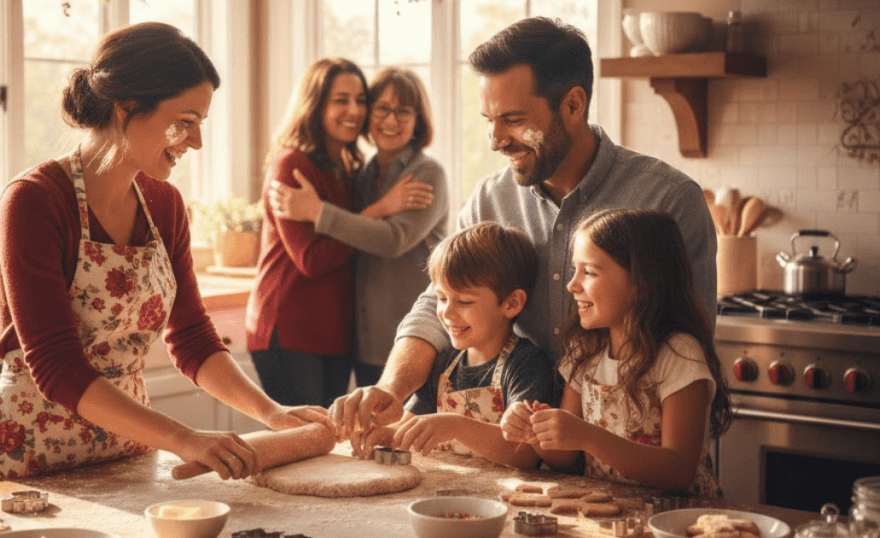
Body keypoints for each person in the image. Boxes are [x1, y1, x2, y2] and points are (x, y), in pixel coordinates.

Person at [0, 22, 329, 487]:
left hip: (124, 452)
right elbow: (57, 365)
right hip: (31, 454)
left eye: (200, 124)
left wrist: (271, 413)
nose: (195, 142)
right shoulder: (34, 201)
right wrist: (186, 439)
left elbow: (193, 338)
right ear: (127, 107)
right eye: (185, 121)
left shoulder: (165, 205)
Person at [330, 16, 717, 442]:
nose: (495, 140)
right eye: (488, 119)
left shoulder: (669, 199)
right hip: (515, 457)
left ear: (573, 105)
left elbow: (688, 346)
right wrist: (392, 388)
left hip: (628, 458)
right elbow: (435, 307)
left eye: (513, 120)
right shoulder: (488, 200)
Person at [500, 208, 731, 497]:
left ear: (641, 283)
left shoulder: (678, 354)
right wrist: (535, 432)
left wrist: (587, 436)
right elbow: (564, 456)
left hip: (677, 520)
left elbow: (679, 470)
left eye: (589, 272)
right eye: (575, 270)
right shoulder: (586, 352)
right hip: (612, 515)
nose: (572, 285)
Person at [268, 67, 448, 387]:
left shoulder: (427, 173)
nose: (391, 121)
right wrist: (380, 208)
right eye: (382, 108)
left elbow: (393, 239)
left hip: (414, 341)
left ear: (418, 121)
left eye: (403, 111)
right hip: (366, 347)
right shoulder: (363, 174)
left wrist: (318, 211)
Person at [355, 222, 552, 469]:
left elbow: (526, 455)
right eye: (441, 298)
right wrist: (386, 434)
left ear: (512, 303)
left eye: (464, 301)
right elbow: (411, 423)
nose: (446, 313)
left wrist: (456, 426)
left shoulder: (526, 364)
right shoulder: (443, 363)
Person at [247, 58, 379, 408]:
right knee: (303, 445)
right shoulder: (290, 165)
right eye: (341, 100)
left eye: (361, 99)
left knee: (326, 448)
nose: (354, 110)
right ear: (315, 104)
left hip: (335, 334)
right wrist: (374, 216)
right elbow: (311, 260)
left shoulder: (351, 167)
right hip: (287, 330)